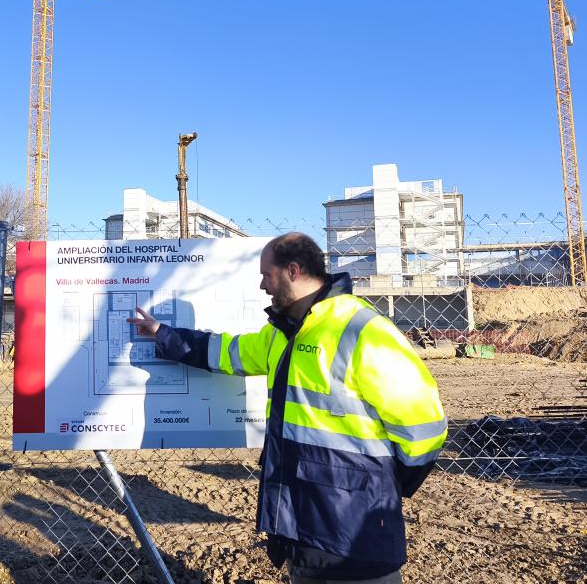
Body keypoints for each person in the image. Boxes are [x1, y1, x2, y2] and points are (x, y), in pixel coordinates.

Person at [129, 233, 447, 584]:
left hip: (358, 533)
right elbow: (226, 352)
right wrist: (162, 333)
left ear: (293, 270)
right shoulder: (282, 333)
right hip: (302, 527)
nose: (262, 284)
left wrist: (381, 484)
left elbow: (424, 428)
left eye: (267, 274)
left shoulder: (362, 330)